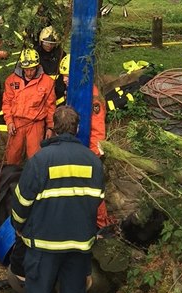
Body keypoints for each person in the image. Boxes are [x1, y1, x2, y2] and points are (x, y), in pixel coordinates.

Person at [11, 105, 104, 293]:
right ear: (77, 129)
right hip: (79, 245)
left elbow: (22, 203)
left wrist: (17, 226)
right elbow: (96, 201)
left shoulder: (39, 161)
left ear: (52, 128)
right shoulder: (93, 162)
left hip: (44, 245)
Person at [59, 54, 116, 229]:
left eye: (67, 75)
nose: (64, 79)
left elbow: (98, 130)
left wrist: (92, 155)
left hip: (89, 152)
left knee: (92, 188)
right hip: (76, 148)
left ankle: (101, 223)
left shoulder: (92, 97)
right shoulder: (75, 90)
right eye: (63, 75)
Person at [2, 48, 56, 165]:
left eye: (32, 69)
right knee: (12, 155)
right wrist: (9, 121)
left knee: (35, 157)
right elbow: (7, 102)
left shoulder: (47, 83)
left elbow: (50, 107)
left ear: (38, 66)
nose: (29, 73)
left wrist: (50, 127)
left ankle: (34, 180)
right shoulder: (11, 80)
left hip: (35, 124)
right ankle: (11, 177)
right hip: (16, 123)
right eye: (26, 70)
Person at [33, 26, 67, 105]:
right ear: (41, 42)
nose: (49, 46)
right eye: (46, 43)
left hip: (58, 88)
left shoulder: (60, 53)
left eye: (52, 44)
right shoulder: (35, 53)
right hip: (40, 88)